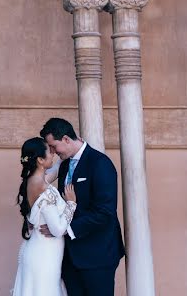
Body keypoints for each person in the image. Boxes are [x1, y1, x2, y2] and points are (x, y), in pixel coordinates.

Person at [40, 118, 125, 296]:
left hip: (98, 255)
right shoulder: (63, 166)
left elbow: (105, 213)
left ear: (66, 139)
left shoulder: (100, 163)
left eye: (54, 146)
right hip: (70, 258)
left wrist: (64, 229)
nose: (53, 152)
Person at [10, 137, 77, 296]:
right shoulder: (42, 188)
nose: (53, 153)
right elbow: (59, 229)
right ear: (40, 160)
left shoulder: (32, 181)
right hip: (44, 256)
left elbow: (50, 175)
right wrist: (71, 204)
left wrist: (66, 154)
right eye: (49, 151)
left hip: (38, 249)